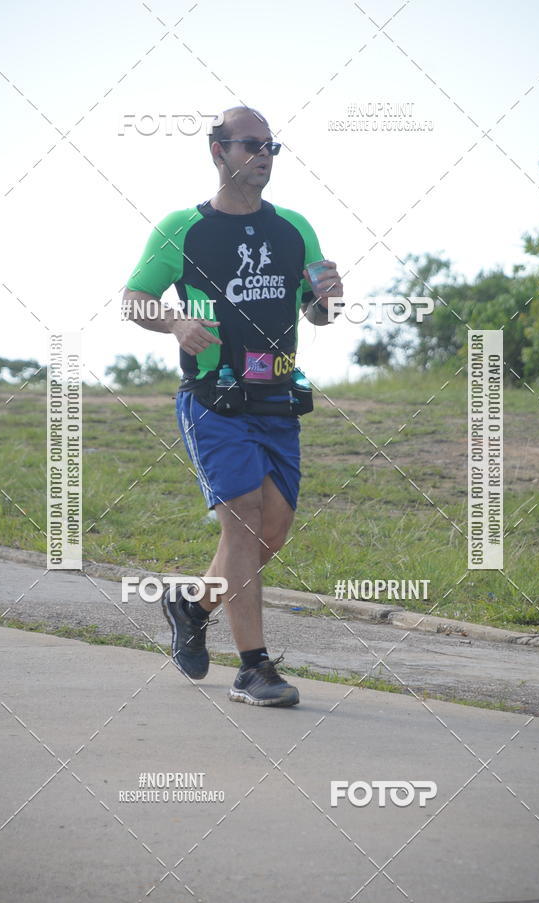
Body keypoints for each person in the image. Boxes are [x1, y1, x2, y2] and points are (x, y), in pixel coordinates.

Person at [122, 106, 343, 707]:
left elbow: (317, 310)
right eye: (251, 144)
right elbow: (133, 299)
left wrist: (329, 299)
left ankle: (192, 605)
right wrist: (173, 322)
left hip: (278, 396)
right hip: (213, 399)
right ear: (217, 151)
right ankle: (254, 669)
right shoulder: (182, 230)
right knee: (243, 520)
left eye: (272, 146)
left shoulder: (295, 227)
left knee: (273, 530)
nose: (264, 155)